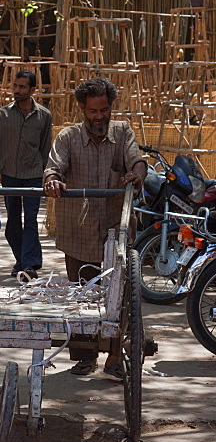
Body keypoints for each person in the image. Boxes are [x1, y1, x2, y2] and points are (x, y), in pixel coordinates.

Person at [43, 76, 146, 377]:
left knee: (120, 294)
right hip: (79, 229)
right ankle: (86, 356)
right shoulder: (67, 137)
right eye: (92, 111)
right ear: (82, 110)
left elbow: (137, 161)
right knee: (81, 295)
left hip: (117, 227)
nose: (99, 117)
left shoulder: (122, 131)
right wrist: (52, 180)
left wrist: (137, 175)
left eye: (104, 110)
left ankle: (115, 355)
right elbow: (53, 168)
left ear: (110, 108)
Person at [0, 70, 53, 278]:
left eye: (22, 87)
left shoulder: (44, 116)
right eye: (15, 86)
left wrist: (45, 176)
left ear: (32, 90)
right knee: (13, 223)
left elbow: (45, 150)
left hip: (33, 174)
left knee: (31, 219)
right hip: (9, 175)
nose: (16, 90)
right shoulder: (3, 115)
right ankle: (22, 260)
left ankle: (30, 265)